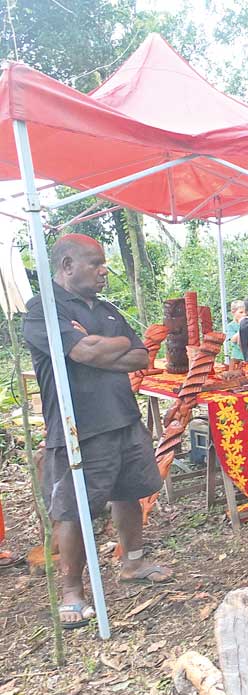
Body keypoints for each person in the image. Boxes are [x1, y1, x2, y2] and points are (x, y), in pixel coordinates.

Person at [22, 234, 171, 630]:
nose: (104, 270)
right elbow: (83, 352)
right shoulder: (42, 309)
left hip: (123, 417)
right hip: (80, 426)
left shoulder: (106, 309)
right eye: (95, 263)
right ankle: (73, 591)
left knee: (130, 491)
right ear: (67, 265)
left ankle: (133, 562)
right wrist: (104, 348)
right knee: (76, 508)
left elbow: (140, 356)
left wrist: (102, 347)